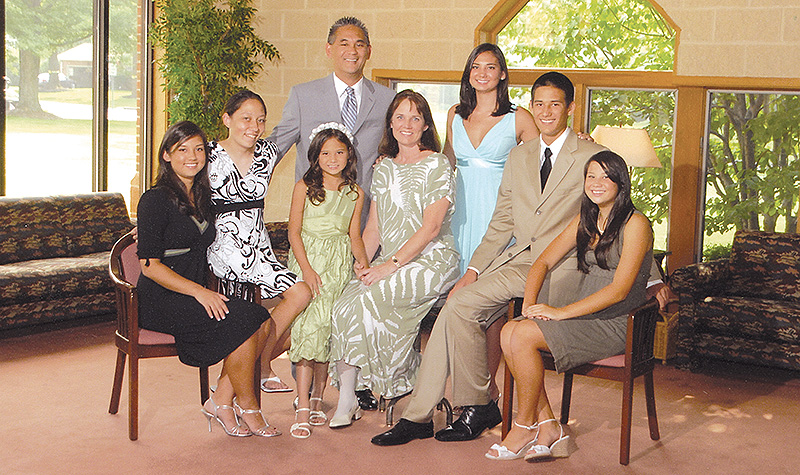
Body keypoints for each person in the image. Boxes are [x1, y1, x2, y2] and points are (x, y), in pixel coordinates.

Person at [371, 71, 608, 446]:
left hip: (566, 268)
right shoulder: (519, 156)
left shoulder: (592, 155)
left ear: (571, 108)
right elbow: (501, 221)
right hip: (520, 261)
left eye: (555, 104)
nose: (546, 111)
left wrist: (654, 279)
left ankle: (464, 407)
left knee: (460, 309)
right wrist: (473, 269)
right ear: (532, 107)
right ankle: (446, 409)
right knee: (458, 302)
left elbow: (621, 213)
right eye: (540, 104)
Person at [486, 151, 653, 461]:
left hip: (615, 324)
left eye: (605, 176)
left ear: (620, 181)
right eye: (591, 176)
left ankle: (524, 425)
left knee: (519, 336)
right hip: (582, 317)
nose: (597, 183)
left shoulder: (636, 224)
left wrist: (559, 312)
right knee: (511, 329)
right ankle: (548, 425)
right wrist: (532, 304)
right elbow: (542, 261)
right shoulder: (586, 220)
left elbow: (619, 290)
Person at [267, 16, 395, 409]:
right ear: (329, 49)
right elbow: (275, 146)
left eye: (359, 44)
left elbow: (401, 147)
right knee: (313, 307)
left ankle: (354, 383)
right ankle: (302, 384)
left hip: (366, 218)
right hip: (316, 227)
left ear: (368, 51)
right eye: (343, 43)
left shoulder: (388, 99)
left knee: (354, 302)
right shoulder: (304, 95)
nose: (351, 51)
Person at [327, 90, 460, 429]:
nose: (407, 124)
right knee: (345, 302)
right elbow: (373, 228)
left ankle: (409, 377)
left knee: (372, 299)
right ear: (390, 123)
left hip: (431, 260)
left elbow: (430, 229)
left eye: (415, 117)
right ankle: (348, 396)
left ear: (426, 124)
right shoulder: (383, 167)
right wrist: (362, 263)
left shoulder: (437, 164)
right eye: (400, 117)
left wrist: (389, 267)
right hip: (389, 258)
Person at [137, 121, 278, 437]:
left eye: (199, 149)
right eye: (183, 149)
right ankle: (247, 406)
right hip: (161, 299)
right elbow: (149, 266)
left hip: (194, 293)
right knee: (250, 321)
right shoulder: (154, 199)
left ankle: (221, 402)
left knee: (261, 321)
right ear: (166, 155)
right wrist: (200, 292)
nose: (193, 156)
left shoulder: (202, 196)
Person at [443, 43, 539, 406]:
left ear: (502, 74)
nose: (482, 72)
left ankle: (487, 390)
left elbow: (547, 160)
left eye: (491, 66)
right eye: (476, 66)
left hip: (499, 218)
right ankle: (461, 386)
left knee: (493, 309)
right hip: (460, 217)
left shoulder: (519, 117)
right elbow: (442, 165)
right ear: (469, 73)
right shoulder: (454, 114)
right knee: (457, 305)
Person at [206, 90, 312, 394]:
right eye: (246, 118)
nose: (253, 126)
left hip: (258, 247)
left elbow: (317, 151)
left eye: (261, 120)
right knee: (249, 318)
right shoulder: (208, 155)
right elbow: (177, 191)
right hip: (223, 248)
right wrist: (148, 226)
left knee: (301, 294)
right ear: (227, 119)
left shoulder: (266, 153)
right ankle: (247, 372)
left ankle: (259, 364)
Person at [285, 123, 370, 438]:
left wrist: (363, 266)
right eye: (325, 153)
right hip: (309, 261)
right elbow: (293, 232)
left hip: (337, 265)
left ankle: (319, 396)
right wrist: (306, 269)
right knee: (307, 328)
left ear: (349, 155)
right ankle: (304, 405)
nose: (332, 158)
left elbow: (354, 236)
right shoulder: (303, 188)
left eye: (339, 152)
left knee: (328, 331)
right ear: (315, 156)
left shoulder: (355, 193)